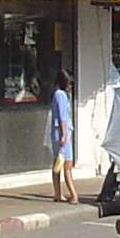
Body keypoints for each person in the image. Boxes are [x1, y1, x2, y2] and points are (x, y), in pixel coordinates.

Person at [48, 70, 77, 204]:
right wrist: (64, 134)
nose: (70, 86)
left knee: (58, 163)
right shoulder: (61, 95)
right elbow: (62, 116)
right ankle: (73, 194)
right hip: (61, 132)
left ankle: (58, 193)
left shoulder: (57, 95)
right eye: (69, 83)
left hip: (58, 132)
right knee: (66, 164)